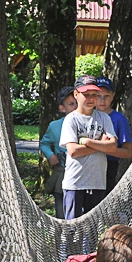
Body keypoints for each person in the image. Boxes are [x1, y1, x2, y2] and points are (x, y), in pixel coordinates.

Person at [59, 75, 118, 220]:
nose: (91, 98)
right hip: (75, 184)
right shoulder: (71, 119)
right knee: (72, 229)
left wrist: (87, 142)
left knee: (91, 230)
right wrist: (100, 144)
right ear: (76, 94)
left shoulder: (104, 118)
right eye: (86, 94)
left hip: (97, 183)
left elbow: (113, 147)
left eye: (94, 95)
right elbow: (73, 151)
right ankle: (70, 245)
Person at [39, 86, 76, 219]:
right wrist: (50, 155)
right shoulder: (54, 126)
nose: (75, 107)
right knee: (61, 213)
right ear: (62, 108)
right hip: (62, 174)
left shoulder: (88, 124)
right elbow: (44, 143)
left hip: (81, 177)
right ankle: (63, 237)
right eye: (71, 104)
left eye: (77, 102)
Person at [94, 76, 132, 199]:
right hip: (88, 166)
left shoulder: (119, 119)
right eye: (98, 96)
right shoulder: (86, 116)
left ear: (113, 96)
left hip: (109, 166)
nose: (102, 100)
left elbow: (127, 152)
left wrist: (107, 148)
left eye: (106, 96)